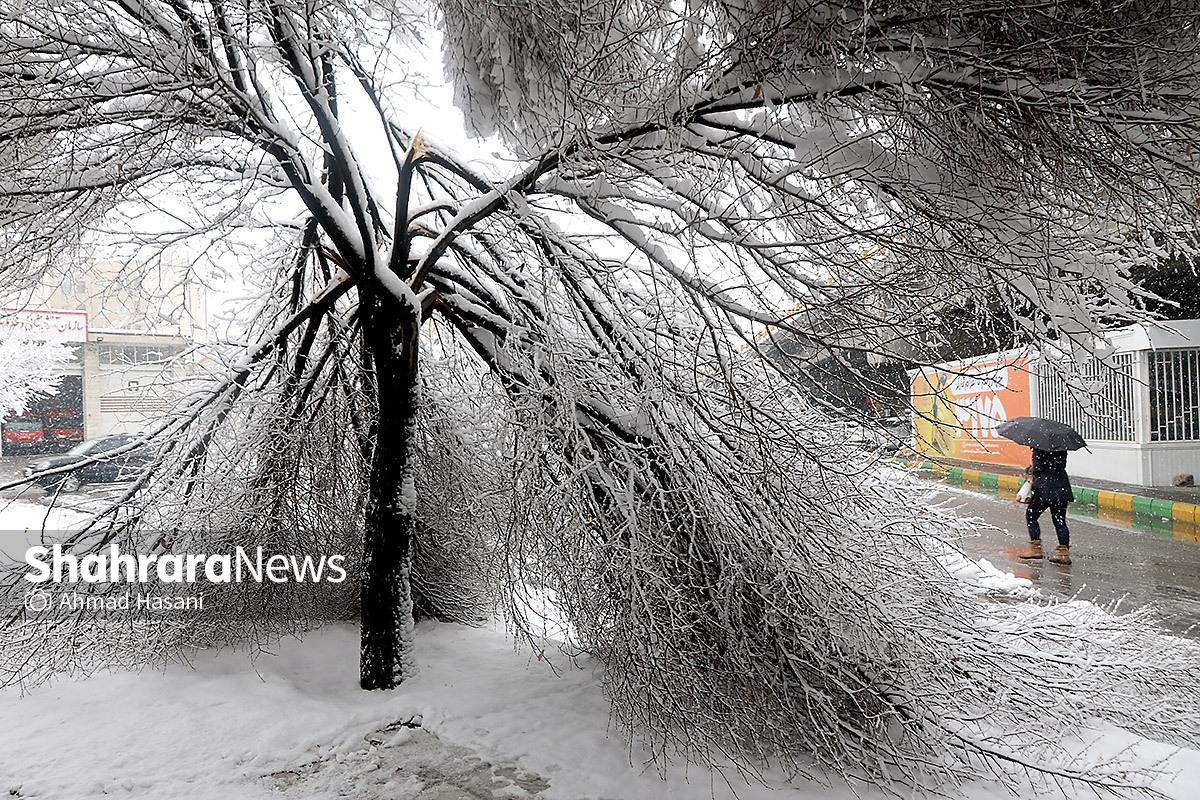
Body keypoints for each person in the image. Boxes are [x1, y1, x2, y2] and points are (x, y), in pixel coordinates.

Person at [1018, 448, 1073, 565]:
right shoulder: (1062, 448)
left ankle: (1036, 549)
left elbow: (1038, 469)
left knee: (1031, 516)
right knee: (1060, 520)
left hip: (1044, 489)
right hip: (1062, 487)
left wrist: (1030, 469)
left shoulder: (1039, 448)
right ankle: (1064, 554)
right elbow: (1059, 465)